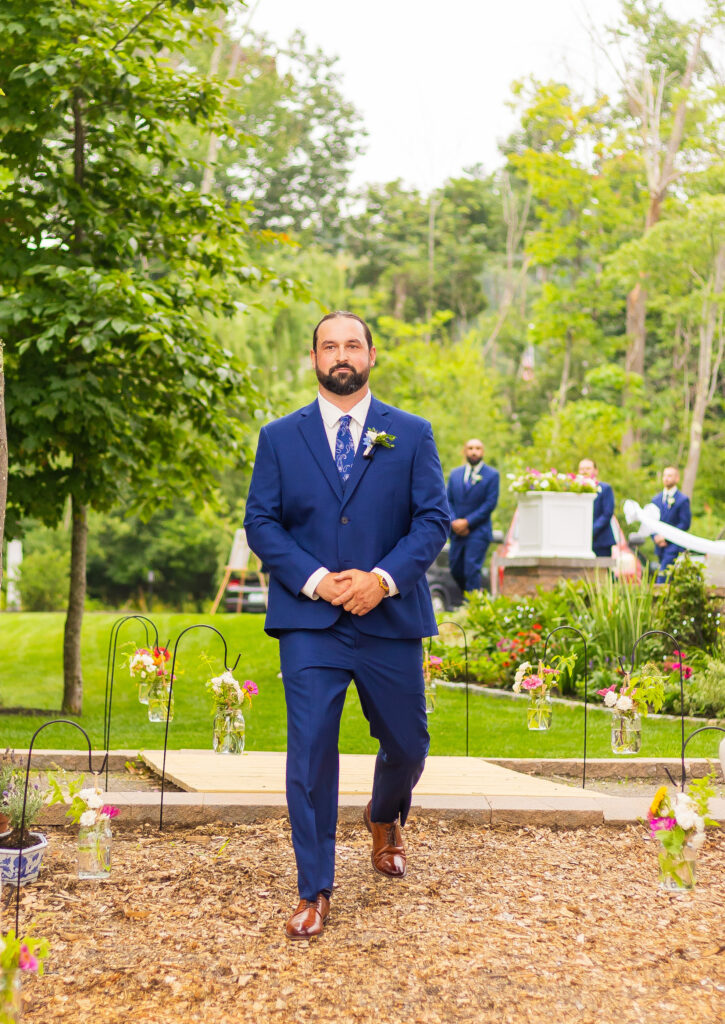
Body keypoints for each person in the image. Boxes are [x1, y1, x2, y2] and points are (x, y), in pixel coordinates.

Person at [244, 311, 449, 940]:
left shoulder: (410, 434)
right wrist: (316, 579)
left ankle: (384, 816)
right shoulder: (279, 438)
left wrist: (380, 579)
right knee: (309, 753)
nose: (341, 354)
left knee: (409, 744)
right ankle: (315, 889)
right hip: (310, 621)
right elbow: (262, 523)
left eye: (352, 345)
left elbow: (433, 520)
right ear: (313, 358)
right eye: (329, 345)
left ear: (372, 355)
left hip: (389, 615)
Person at [446, 439, 499, 594]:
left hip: (478, 531)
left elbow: (490, 504)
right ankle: (473, 596)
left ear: (483, 452)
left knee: (471, 569)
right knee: (455, 569)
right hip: (456, 531)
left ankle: (472, 607)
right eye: (470, 448)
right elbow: (448, 500)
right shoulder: (455, 474)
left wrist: (467, 522)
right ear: (465, 451)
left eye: (478, 448)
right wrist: (454, 522)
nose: (474, 451)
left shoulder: (492, 475)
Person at [651, 466, 691, 582]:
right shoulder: (656, 500)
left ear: (677, 478)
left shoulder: (682, 500)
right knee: (670, 578)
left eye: (670, 476)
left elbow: (685, 523)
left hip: (674, 545)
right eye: (665, 475)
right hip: (659, 546)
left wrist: (667, 537)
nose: (666, 478)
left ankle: (659, 599)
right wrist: (655, 537)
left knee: (662, 577)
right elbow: (651, 522)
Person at [577, 458, 615, 557]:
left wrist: (591, 530)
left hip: (601, 540)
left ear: (595, 471)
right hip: (578, 541)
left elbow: (607, 513)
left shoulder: (605, 488)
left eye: (588, 468)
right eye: (581, 469)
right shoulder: (574, 490)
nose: (584, 471)